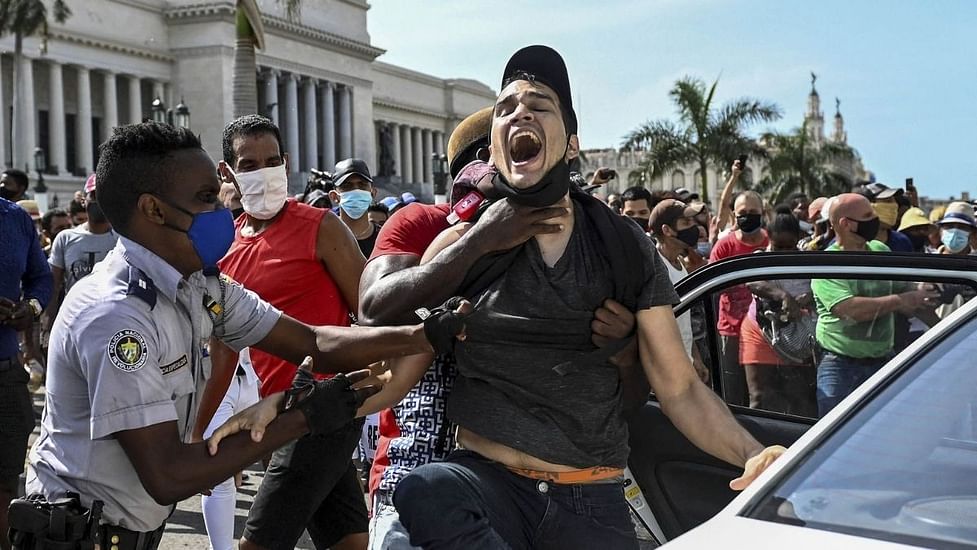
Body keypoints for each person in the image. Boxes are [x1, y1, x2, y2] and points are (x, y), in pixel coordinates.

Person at [392, 44, 784, 549]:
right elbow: (398, 367)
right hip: (486, 488)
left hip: (588, 500)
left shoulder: (624, 248)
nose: (519, 114)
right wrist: (302, 406)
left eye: (539, 105)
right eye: (506, 108)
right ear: (491, 147)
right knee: (426, 489)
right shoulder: (460, 248)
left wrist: (754, 454)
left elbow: (681, 389)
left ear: (572, 144)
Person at [26, 122, 458, 550]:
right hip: (77, 535)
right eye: (206, 198)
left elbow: (312, 342)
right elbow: (168, 476)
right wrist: (301, 418)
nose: (221, 210)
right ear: (154, 210)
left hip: (120, 530)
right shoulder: (116, 316)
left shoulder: (202, 284)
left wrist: (422, 335)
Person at [210, 114, 370, 550]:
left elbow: (371, 312)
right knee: (349, 540)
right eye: (248, 164)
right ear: (227, 172)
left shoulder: (322, 228)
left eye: (271, 161)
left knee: (257, 544)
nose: (263, 172)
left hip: (322, 408)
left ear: (286, 162)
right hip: (273, 414)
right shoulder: (223, 245)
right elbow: (222, 343)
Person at [811, 193, 938, 416]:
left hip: (882, 362)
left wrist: (921, 294)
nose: (875, 220)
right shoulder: (827, 264)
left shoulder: (880, 251)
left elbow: (902, 289)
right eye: (868, 215)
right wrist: (900, 301)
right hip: (839, 366)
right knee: (833, 434)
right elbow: (850, 310)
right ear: (846, 224)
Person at [0, 196, 52, 550]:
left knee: (6, 481)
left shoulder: (15, 219)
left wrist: (29, 308)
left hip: (5, 376)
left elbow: (41, 277)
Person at [741, 206, 817, 416]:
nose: (784, 252)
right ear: (769, 238)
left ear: (798, 239)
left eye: (789, 247)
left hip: (799, 333)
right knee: (759, 397)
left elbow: (821, 287)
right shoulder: (759, 257)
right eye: (778, 246)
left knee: (800, 398)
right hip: (760, 330)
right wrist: (783, 296)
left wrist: (809, 298)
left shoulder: (809, 260)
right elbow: (753, 282)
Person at [709, 189, 769, 406]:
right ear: (734, 216)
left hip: (765, 333)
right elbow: (712, 285)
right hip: (731, 332)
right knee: (732, 397)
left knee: (761, 397)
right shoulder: (724, 247)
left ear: (763, 213)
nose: (748, 216)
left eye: (753, 211)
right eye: (743, 212)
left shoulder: (772, 244)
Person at [44, 176, 119, 331]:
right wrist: (49, 323)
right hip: (75, 321)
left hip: (115, 319)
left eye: (104, 196)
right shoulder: (65, 238)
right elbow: (54, 285)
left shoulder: (124, 238)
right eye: (94, 196)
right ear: (84, 200)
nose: (99, 201)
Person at [647, 199, 709, 381]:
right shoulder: (656, 268)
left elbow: (684, 320)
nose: (694, 228)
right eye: (686, 223)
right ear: (667, 230)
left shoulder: (680, 263)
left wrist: (695, 358)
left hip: (684, 364)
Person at [330, 158, 381, 257]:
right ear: (334, 196)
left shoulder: (384, 237)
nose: (356, 190)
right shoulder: (325, 237)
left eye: (362, 185)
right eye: (347, 186)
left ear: (373, 193)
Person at [856, 183, 913, 252]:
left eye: (895, 201)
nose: (894, 205)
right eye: (888, 201)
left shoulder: (902, 241)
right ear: (869, 205)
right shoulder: (853, 240)